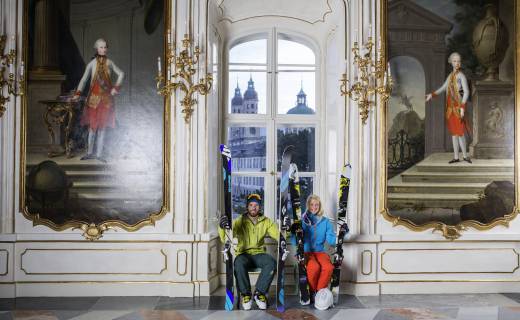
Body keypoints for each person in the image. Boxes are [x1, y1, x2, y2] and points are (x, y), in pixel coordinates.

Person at [218, 193, 281, 311]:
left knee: (271, 262)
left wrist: (287, 230)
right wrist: (222, 227)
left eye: (256, 205)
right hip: (243, 254)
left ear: (260, 207)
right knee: (238, 263)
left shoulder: (267, 221)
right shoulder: (239, 221)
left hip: (258, 254)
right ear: (247, 207)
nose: (253, 207)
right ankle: (246, 295)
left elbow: (278, 236)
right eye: (251, 204)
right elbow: (225, 238)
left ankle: (259, 293)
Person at [72, 38, 124, 163]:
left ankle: (99, 154)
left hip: (106, 100)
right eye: (101, 47)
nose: (104, 49)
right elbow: (84, 80)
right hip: (93, 100)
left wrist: (115, 88)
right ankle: (90, 153)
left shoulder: (110, 63)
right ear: (97, 49)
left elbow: (122, 74)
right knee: (92, 128)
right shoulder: (92, 64)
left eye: (105, 47)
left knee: (102, 128)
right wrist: (78, 93)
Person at [426, 52, 471, 164]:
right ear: (451, 62)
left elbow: (466, 92)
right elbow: (443, 88)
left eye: (459, 61)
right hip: (449, 109)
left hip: (458, 108)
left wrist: (462, 107)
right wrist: (432, 94)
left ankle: (465, 156)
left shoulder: (461, 76)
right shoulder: (450, 76)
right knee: (454, 133)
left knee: (460, 133)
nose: (457, 63)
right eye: (455, 61)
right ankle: (456, 157)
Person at [299, 194, 336, 305]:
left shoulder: (325, 221)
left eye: (316, 205)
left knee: (328, 267)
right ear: (308, 206)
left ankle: (319, 292)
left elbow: (331, 240)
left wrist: (343, 234)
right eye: (311, 205)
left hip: (320, 252)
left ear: (320, 206)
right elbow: (294, 240)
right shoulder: (302, 220)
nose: (314, 207)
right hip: (306, 252)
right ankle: (312, 291)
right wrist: (294, 232)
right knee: (314, 267)